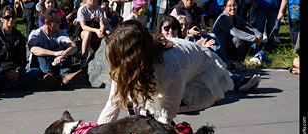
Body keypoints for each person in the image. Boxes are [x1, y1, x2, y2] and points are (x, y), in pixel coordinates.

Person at [97, 20, 234, 125]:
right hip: (165, 66)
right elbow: (111, 106)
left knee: (155, 118)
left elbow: (165, 118)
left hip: (200, 74)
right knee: (134, 104)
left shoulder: (173, 68)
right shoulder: (124, 64)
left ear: (133, 58)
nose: (118, 67)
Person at [158, 15, 261, 93]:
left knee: (211, 53)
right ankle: (237, 80)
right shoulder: (160, 43)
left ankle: (238, 80)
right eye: (167, 29)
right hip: (174, 75)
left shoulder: (184, 39)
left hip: (188, 69)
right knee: (211, 57)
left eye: (174, 28)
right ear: (161, 30)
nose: (171, 31)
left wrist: (200, 47)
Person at [0, 5, 41, 100]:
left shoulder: (19, 37)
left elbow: (23, 61)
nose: (10, 19)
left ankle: (6, 86)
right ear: (1, 19)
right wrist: (5, 73)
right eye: (7, 17)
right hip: (0, 73)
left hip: (15, 73)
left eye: (12, 17)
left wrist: (17, 71)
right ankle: (15, 84)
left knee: (35, 72)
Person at [28, 8, 85, 89]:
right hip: (40, 66)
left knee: (66, 49)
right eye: (57, 21)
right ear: (47, 23)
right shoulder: (36, 33)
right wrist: (55, 53)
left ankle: (65, 75)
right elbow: (32, 48)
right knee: (39, 51)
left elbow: (73, 47)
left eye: (60, 20)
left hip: (55, 63)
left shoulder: (60, 32)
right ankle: (49, 75)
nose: (60, 23)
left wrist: (63, 54)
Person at [212, 0, 262, 69]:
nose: (233, 8)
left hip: (229, 44)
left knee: (248, 35)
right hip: (220, 48)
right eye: (229, 6)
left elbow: (247, 26)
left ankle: (237, 61)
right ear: (225, 8)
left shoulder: (235, 17)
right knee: (241, 37)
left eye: (234, 5)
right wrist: (254, 38)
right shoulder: (223, 18)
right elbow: (234, 32)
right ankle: (230, 60)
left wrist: (258, 35)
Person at [77, 0, 106, 69]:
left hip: (96, 29)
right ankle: (83, 57)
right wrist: (96, 30)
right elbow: (83, 26)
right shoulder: (82, 9)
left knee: (108, 33)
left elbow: (102, 24)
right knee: (87, 34)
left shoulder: (99, 9)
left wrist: (100, 31)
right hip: (85, 31)